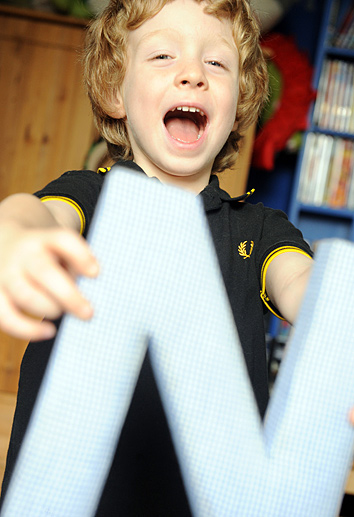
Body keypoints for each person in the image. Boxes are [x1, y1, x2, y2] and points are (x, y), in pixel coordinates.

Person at [0, 0, 344, 514]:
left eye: (217, 63)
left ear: (239, 104)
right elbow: (40, 218)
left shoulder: (260, 231)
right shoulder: (87, 199)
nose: (192, 75)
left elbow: (308, 286)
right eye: (163, 56)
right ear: (117, 91)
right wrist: (14, 230)